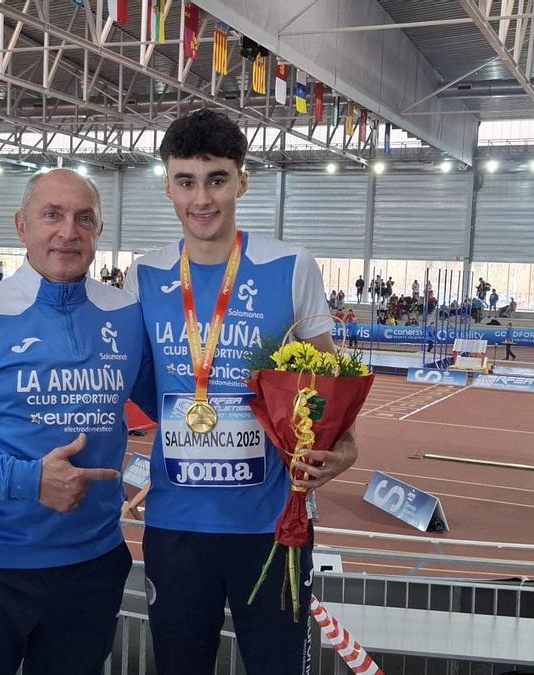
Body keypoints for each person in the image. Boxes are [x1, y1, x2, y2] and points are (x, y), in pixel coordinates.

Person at [124, 110, 356, 675]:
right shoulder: (143, 275)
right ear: (168, 187)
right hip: (177, 527)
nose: (201, 199)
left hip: (273, 526)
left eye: (217, 179)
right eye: (186, 181)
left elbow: (327, 380)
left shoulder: (291, 266)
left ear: (242, 181)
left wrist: (345, 444)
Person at [0, 168, 154, 675]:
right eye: (52, 215)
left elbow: (180, 409)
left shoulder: (128, 315)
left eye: (85, 218)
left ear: (100, 230)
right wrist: (30, 479)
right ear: (22, 226)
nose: (68, 231)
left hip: (92, 567)